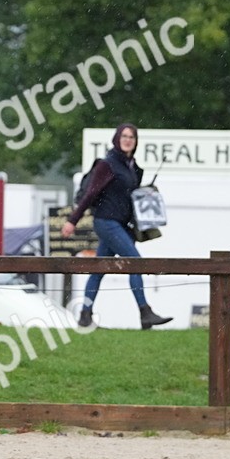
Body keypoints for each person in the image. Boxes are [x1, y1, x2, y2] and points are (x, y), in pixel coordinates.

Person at [60, 123, 172, 330]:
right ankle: (145, 312)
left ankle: (85, 316)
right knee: (136, 262)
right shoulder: (108, 164)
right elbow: (90, 194)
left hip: (119, 224)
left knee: (98, 270)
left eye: (132, 137)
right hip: (106, 222)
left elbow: (128, 198)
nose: (128, 140)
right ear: (117, 138)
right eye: (125, 136)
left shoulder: (132, 167)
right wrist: (72, 221)